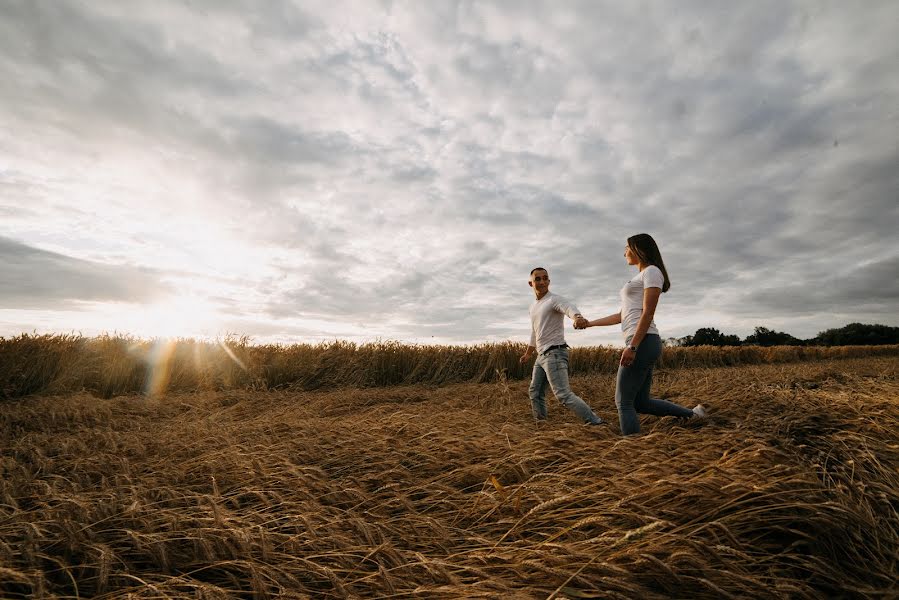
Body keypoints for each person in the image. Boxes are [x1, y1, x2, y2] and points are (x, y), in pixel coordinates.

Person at [576, 234, 705, 435]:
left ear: (639, 249)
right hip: (643, 341)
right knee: (641, 402)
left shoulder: (652, 272)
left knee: (623, 401)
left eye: (627, 247)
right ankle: (693, 415)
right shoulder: (641, 276)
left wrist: (633, 346)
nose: (624, 252)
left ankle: (632, 450)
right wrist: (590, 324)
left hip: (643, 341)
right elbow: (622, 315)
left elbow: (648, 312)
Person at [519, 267, 603, 425]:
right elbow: (535, 331)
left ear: (549, 281)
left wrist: (577, 317)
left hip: (555, 353)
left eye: (545, 278)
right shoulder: (533, 307)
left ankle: (596, 422)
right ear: (531, 283)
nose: (542, 281)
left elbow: (568, 307)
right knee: (535, 392)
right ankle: (541, 424)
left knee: (563, 395)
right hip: (541, 355)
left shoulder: (553, 300)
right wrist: (529, 353)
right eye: (538, 279)